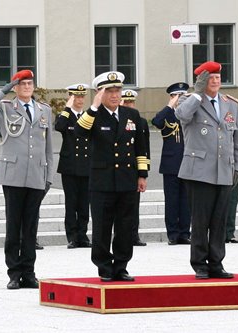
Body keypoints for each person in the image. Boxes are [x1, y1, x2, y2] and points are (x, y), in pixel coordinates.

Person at [0, 70, 54, 290]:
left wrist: (49, 176)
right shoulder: (5, 108)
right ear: (16, 88)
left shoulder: (44, 110)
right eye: (22, 84)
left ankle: (29, 273)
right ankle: (14, 272)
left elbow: (48, 147)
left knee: (30, 227)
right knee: (14, 226)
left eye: (30, 83)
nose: (27, 87)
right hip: (13, 175)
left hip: (37, 175)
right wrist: (4, 90)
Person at [75, 71, 148, 282]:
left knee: (126, 226)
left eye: (118, 91)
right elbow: (79, 132)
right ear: (100, 93)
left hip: (127, 179)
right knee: (102, 227)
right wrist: (94, 106)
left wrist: (141, 175)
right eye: (110, 91)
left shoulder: (131, 115)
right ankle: (104, 266)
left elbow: (140, 149)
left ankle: (121, 266)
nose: (115, 95)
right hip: (102, 181)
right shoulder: (93, 114)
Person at [175, 61, 238, 280]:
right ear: (201, 81)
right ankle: (199, 263)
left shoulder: (230, 104)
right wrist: (196, 93)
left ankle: (216, 262)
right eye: (210, 78)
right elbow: (183, 116)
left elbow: (237, 140)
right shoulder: (189, 100)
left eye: (217, 78)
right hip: (199, 170)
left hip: (224, 169)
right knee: (201, 220)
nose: (215, 82)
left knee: (219, 221)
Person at [151, 82, 191, 246]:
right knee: (172, 200)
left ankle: (184, 233)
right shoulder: (167, 114)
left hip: (188, 163)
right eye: (178, 96)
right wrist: (170, 105)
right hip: (171, 164)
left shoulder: (189, 114)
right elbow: (156, 121)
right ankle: (173, 234)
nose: (181, 99)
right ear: (172, 97)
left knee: (186, 201)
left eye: (183, 96)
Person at [55, 83, 92, 249]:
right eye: (76, 96)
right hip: (70, 166)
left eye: (82, 96)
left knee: (84, 204)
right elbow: (59, 126)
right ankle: (72, 236)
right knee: (71, 203)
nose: (80, 100)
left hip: (86, 166)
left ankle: (83, 236)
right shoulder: (66, 116)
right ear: (71, 97)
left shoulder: (88, 116)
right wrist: (67, 108)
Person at [121, 89, 150, 246]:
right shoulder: (117, 119)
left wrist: (143, 173)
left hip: (133, 170)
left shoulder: (140, 121)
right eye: (126, 102)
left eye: (131, 102)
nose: (129, 105)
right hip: (119, 169)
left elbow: (144, 148)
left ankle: (134, 235)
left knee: (134, 206)